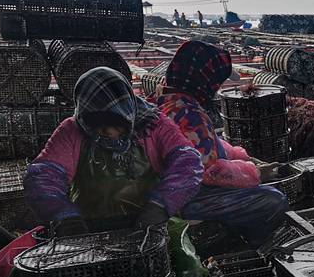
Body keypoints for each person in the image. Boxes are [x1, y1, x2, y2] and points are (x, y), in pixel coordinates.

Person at [24, 67, 203, 235]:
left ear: (128, 113)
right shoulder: (71, 131)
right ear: (85, 119)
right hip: (90, 229)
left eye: (118, 124)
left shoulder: (155, 125)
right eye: (100, 126)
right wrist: (64, 216)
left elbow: (188, 163)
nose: (110, 133)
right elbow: (43, 176)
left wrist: (161, 205)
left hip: (151, 225)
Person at [154, 40, 291, 246]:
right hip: (186, 200)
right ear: (204, 79)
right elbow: (212, 172)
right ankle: (254, 248)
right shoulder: (189, 114)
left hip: (174, 191)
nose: (216, 88)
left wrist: (243, 158)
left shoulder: (168, 100)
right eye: (216, 82)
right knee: (272, 200)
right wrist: (255, 173)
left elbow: (208, 144)